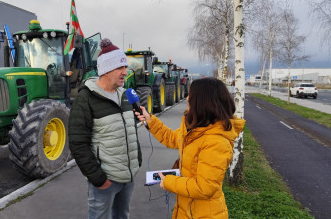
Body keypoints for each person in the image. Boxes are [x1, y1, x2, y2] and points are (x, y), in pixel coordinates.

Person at [135, 77, 245, 219]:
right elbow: (173, 138)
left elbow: (204, 187)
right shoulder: (196, 128)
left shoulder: (216, 141)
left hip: (204, 214)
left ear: (202, 101)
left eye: (191, 96)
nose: (187, 98)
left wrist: (168, 181)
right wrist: (150, 121)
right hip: (187, 209)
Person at [68, 38, 142, 219]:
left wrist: (136, 161)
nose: (125, 72)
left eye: (125, 67)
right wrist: (99, 179)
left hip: (128, 176)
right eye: (120, 68)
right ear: (106, 70)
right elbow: (78, 143)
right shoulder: (86, 98)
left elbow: (129, 130)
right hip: (105, 181)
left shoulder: (124, 95)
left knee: (122, 216)